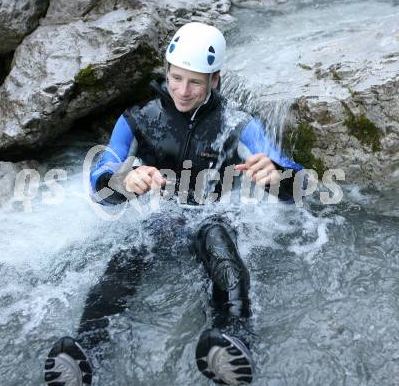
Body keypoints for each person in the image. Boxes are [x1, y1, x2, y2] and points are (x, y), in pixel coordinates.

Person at [44, 22, 303, 386]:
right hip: (160, 218)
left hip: (215, 216)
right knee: (126, 258)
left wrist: (279, 177)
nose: (182, 91)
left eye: (195, 82)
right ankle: (87, 349)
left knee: (220, 245)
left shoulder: (238, 123)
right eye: (175, 78)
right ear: (166, 71)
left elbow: (299, 181)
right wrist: (123, 181)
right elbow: (100, 180)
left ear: (215, 80)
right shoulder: (138, 120)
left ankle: (234, 344)